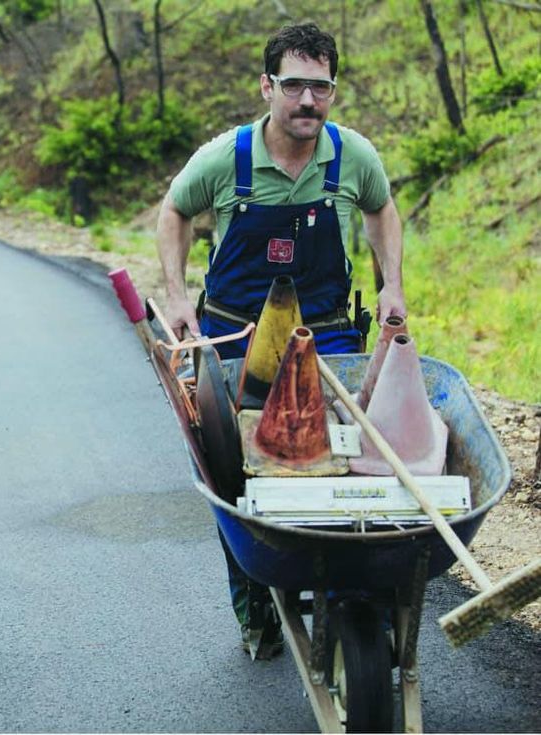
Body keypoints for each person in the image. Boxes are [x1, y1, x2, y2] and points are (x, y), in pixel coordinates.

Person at [156, 23, 406, 657]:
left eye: (319, 88)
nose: (306, 102)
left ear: (333, 91)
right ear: (267, 87)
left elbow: (380, 210)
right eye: (293, 86)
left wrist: (391, 286)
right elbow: (174, 211)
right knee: (234, 479)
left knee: (345, 462)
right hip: (236, 342)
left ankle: (354, 584)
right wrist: (180, 296)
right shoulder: (225, 158)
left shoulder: (354, 158)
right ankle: (255, 605)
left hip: (328, 341)